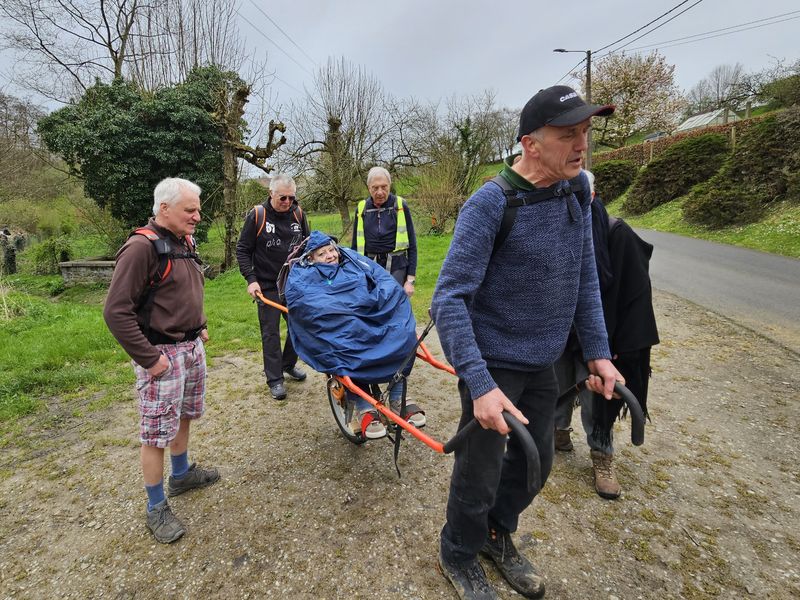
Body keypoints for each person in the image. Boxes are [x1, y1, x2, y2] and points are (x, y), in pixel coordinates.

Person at [431, 85, 622, 599]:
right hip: (493, 366)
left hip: (546, 361)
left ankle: (497, 533)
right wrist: (479, 383)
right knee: (479, 470)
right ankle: (459, 550)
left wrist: (599, 352)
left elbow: (583, 276)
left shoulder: (576, 190)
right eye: (567, 135)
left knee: (537, 463)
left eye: (585, 132)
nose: (582, 145)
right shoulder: (490, 205)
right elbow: (447, 300)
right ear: (530, 144)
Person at [103, 177, 220, 544]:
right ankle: (156, 508)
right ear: (164, 208)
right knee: (155, 434)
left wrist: (198, 325)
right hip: (162, 356)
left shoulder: (183, 240)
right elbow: (115, 312)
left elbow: (183, 289)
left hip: (190, 348)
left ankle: (182, 474)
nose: (198, 216)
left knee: (184, 415)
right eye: (191, 210)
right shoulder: (141, 248)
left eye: (198, 209)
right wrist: (150, 360)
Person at [554, 171, 659, 500]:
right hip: (559, 330)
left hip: (602, 336)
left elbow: (636, 296)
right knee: (554, 386)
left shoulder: (617, 234)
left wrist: (616, 347)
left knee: (595, 399)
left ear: (592, 194)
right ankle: (558, 433)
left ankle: (602, 455)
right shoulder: (555, 229)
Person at [298, 231, 425, 440]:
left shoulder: (353, 263)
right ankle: (365, 406)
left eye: (331, 250)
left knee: (403, 332)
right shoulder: (307, 276)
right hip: (342, 325)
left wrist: (382, 304)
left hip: (370, 316)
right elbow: (309, 304)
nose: (330, 255)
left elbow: (382, 281)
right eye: (322, 254)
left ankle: (397, 398)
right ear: (311, 259)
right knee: (350, 347)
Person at [236, 173, 311, 400]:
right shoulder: (257, 216)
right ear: (271, 194)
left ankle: (288, 364)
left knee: (300, 326)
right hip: (267, 284)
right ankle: (275, 379)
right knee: (270, 332)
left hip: (293, 282)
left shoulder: (298, 214)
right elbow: (242, 250)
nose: (287, 202)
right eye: (282, 198)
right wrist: (251, 279)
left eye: (291, 198)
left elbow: (308, 246)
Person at [351, 166, 418, 297]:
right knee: (373, 308)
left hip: (397, 267)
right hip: (370, 267)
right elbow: (354, 247)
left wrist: (410, 281)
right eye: (375, 188)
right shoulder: (361, 208)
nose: (380, 192)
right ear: (369, 187)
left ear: (390, 185)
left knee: (395, 306)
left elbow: (412, 245)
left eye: (384, 187)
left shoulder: (400, 205)